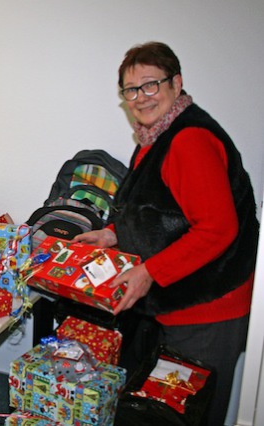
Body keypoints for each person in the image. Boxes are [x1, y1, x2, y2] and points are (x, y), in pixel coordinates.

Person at [74, 42, 259, 426]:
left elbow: (217, 229)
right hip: (182, 301)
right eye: (131, 89)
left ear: (176, 83)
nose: (140, 98)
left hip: (208, 308)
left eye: (151, 84)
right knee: (165, 409)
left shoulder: (189, 140)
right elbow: (157, 211)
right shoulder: (155, 136)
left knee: (189, 413)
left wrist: (149, 273)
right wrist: (111, 234)